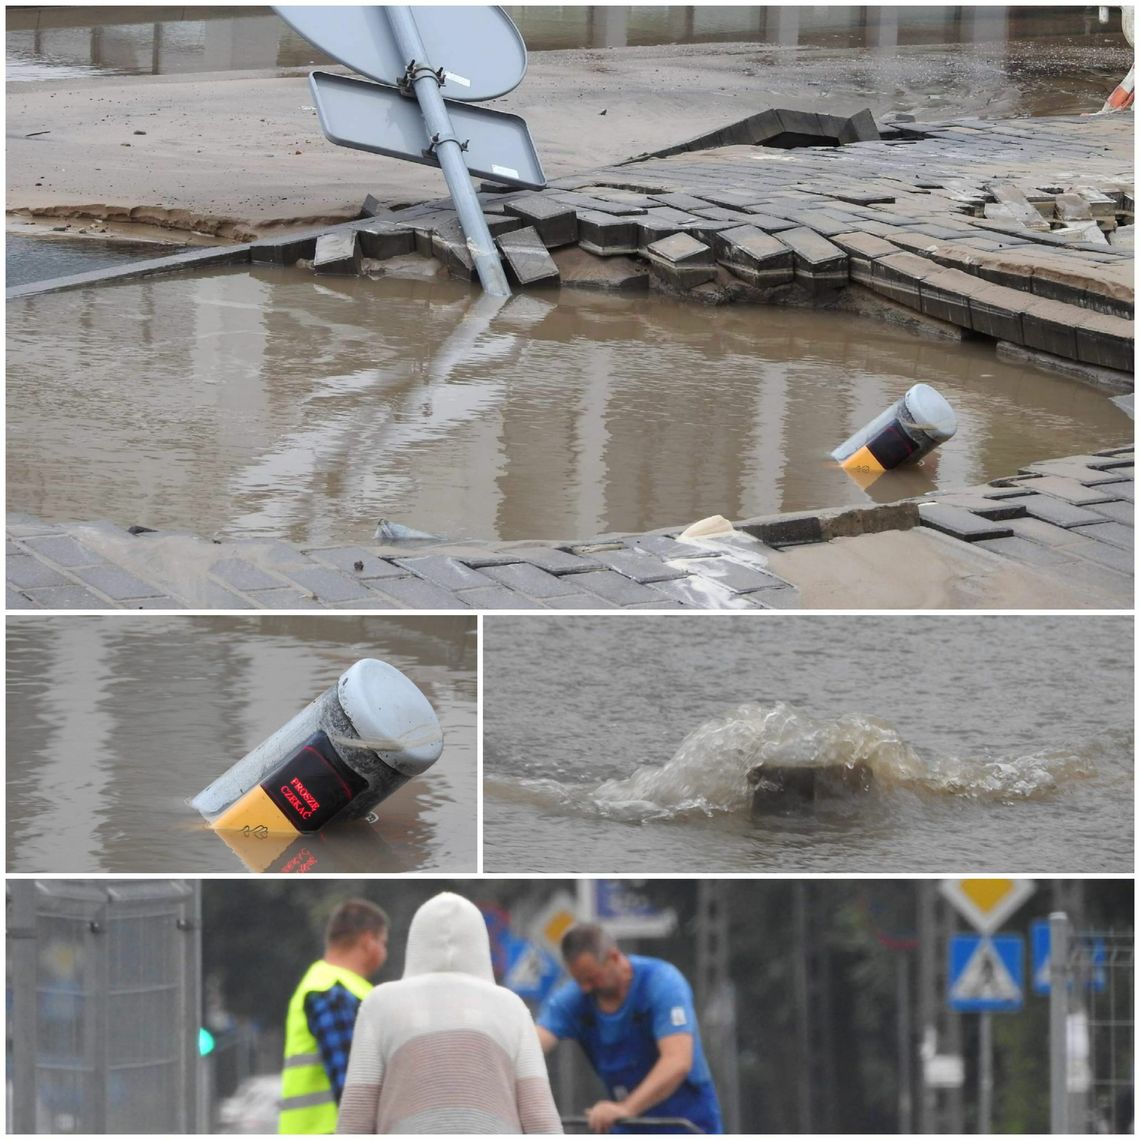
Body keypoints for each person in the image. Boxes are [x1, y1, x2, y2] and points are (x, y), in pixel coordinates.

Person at [337, 892, 562, 1134]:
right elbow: (539, 1116)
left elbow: (356, 1116)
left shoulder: (378, 1005)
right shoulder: (512, 1007)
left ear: (415, 942)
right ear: (480, 943)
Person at [536, 924, 723, 1135]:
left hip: (687, 1122)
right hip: (629, 1126)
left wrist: (625, 1108)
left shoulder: (662, 984)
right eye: (579, 981)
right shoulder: (574, 1000)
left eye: (592, 978)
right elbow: (532, 1046)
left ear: (614, 958)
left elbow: (677, 1061)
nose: (586, 988)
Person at [279, 899, 391, 1134]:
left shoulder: (326, 984)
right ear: (368, 941)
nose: (384, 952)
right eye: (383, 942)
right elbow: (351, 1085)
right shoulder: (332, 992)